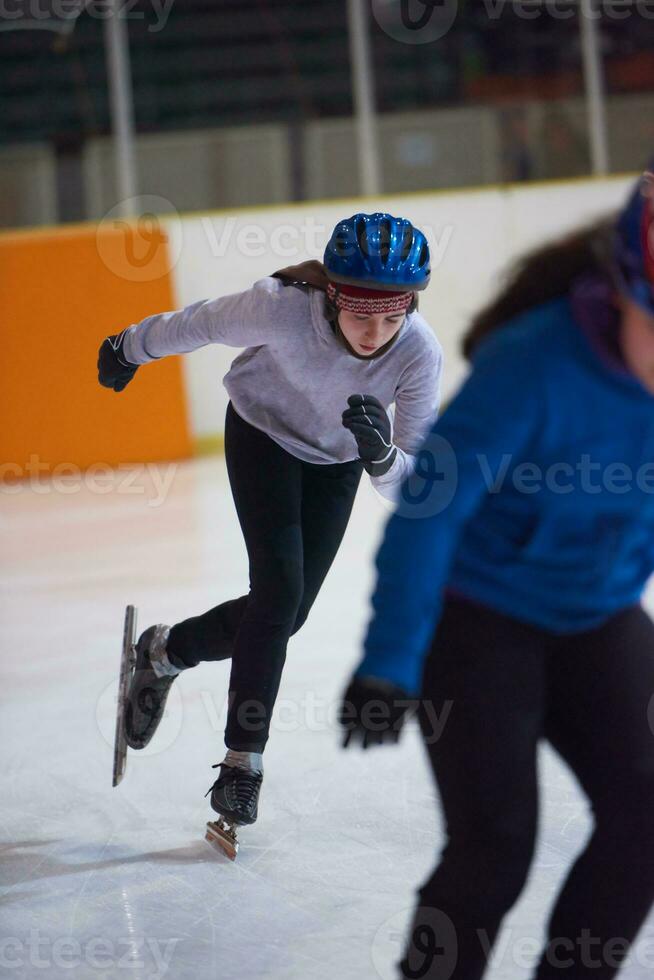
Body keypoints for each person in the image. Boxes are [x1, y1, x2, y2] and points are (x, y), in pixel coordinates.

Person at [339, 168, 654, 979]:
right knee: (495, 848)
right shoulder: (533, 366)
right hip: (479, 618)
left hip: (601, 614)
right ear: (623, 290)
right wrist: (390, 662)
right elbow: (429, 511)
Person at [97, 212, 441, 835]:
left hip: (336, 463)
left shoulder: (419, 352)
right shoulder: (281, 308)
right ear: (334, 295)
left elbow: (413, 486)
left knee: (287, 613)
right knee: (279, 594)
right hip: (261, 436)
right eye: (364, 315)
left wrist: (384, 457)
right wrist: (130, 345)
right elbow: (199, 322)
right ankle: (242, 764)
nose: (376, 333)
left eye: (393, 317)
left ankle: (165, 651)